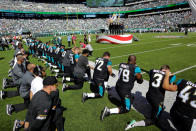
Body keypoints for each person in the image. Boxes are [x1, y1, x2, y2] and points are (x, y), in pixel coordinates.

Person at [125, 65, 177, 131]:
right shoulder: (172, 76)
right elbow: (169, 86)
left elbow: (153, 75)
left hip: (149, 96)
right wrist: (169, 76)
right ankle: (134, 124)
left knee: (157, 106)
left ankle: (156, 108)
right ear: (167, 70)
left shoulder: (152, 71)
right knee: (154, 120)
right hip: (157, 99)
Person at [100, 55, 143, 120]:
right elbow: (139, 78)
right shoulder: (135, 68)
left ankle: (128, 98)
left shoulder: (121, 64)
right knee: (127, 108)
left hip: (118, 86)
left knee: (129, 98)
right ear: (135, 61)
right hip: (124, 90)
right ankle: (108, 111)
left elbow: (126, 69)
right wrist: (139, 79)